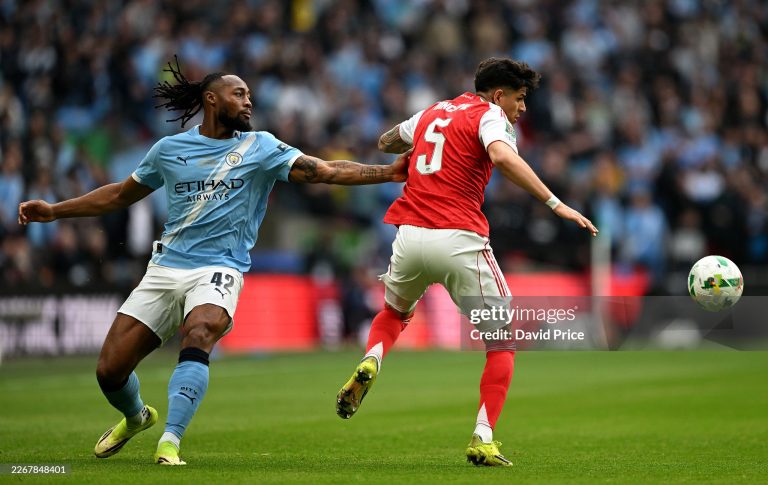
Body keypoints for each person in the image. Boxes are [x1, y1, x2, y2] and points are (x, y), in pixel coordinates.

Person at [18, 58, 409, 466]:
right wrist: (55, 211)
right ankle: (136, 416)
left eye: (250, 96)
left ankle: (170, 440)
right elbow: (119, 194)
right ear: (211, 99)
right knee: (109, 371)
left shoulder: (261, 147)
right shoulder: (169, 150)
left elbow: (325, 170)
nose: (248, 102)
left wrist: (387, 173)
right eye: (238, 94)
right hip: (166, 267)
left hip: (220, 267)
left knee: (200, 330)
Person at [334, 58, 598, 467]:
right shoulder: (491, 115)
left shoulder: (432, 111)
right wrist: (555, 203)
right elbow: (503, 157)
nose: (522, 108)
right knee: (503, 341)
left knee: (394, 311)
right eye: (520, 98)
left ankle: (373, 358)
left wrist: (410, 146)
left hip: (408, 236)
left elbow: (386, 141)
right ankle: (483, 436)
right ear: (498, 95)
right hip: (458, 237)